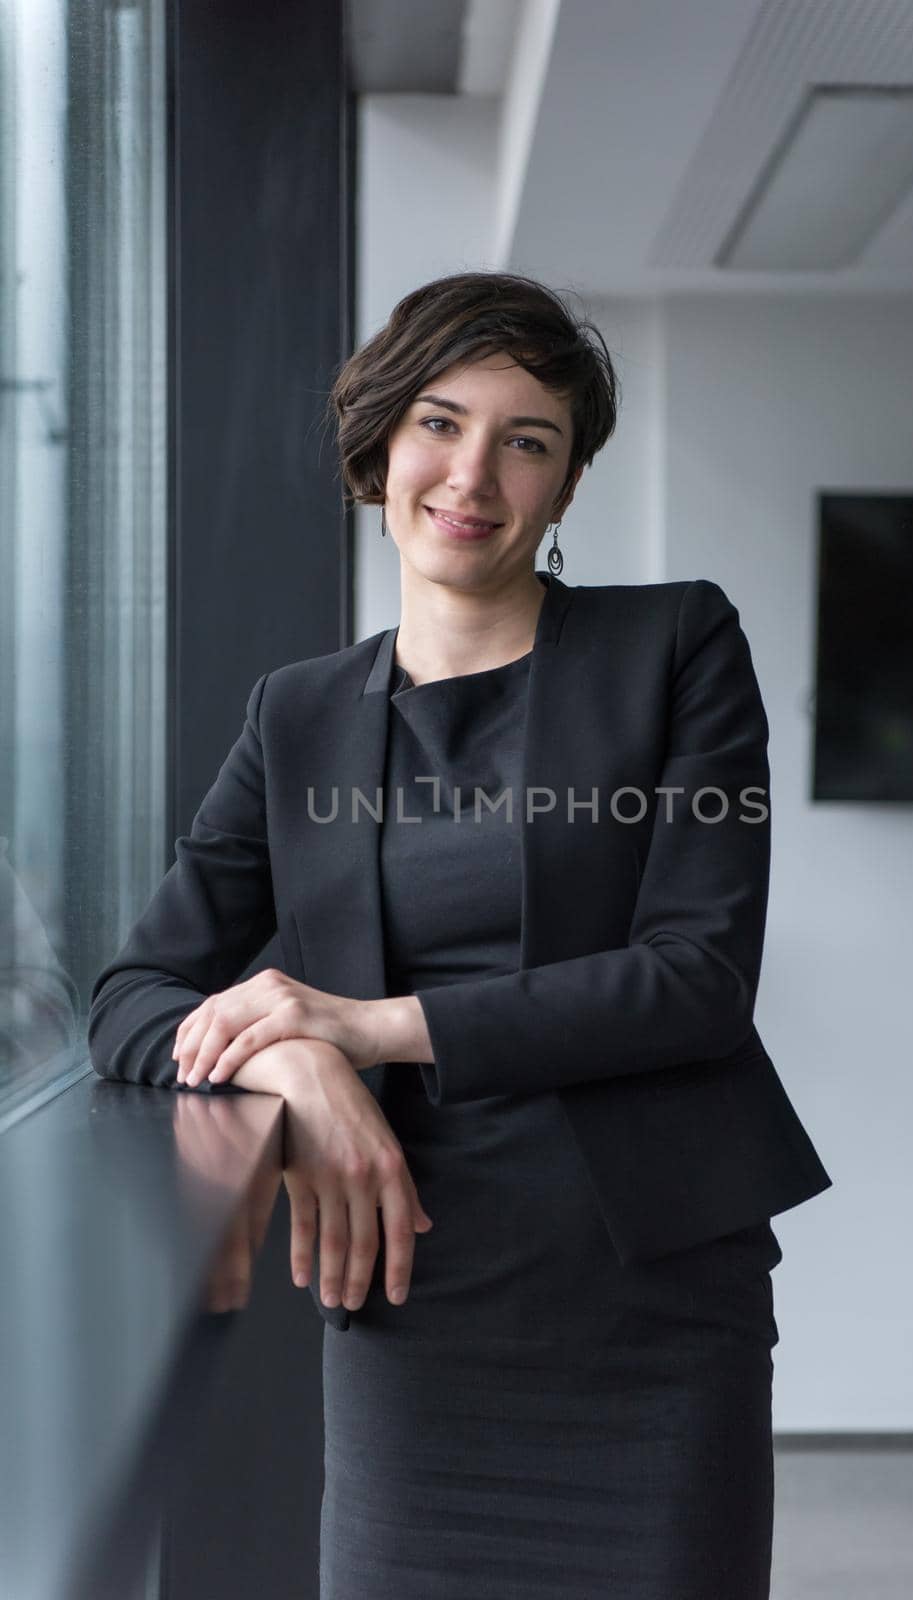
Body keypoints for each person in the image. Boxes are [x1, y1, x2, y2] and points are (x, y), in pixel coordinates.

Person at [89, 270, 832, 1600]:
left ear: (564, 486)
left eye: (526, 440)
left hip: (650, 1314)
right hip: (412, 1314)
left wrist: (366, 1026)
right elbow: (135, 991)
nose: (472, 473)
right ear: (379, 442)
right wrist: (293, 1063)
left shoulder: (674, 645)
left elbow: (700, 980)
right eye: (440, 421)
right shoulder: (297, 715)